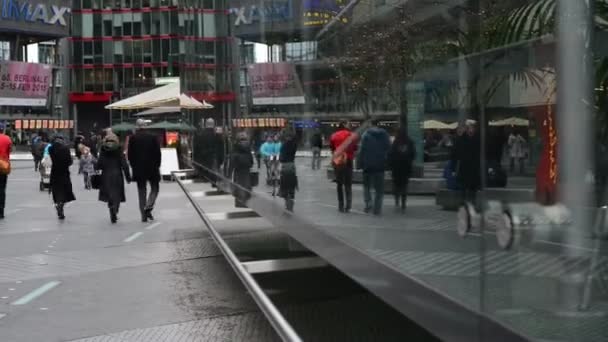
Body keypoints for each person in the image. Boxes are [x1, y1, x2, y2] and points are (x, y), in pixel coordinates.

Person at [128, 119, 161, 222]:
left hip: (139, 169)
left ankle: (143, 215)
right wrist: (157, 165)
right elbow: (158, 153)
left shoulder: (133, 138)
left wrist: (133, 166)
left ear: (137, 127)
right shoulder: (153, 137)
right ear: (145, 126)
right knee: (155, 188)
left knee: (141, 191)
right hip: (152, 168)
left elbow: (130, 155)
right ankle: (149, 206)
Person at [97, 133, 131, 223]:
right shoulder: (119, 149)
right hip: (117, 175)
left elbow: (99, 163)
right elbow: (124, 164)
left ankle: (111, 207)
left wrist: (98, 168)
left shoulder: (103, 149)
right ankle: (115, 210)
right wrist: (128, 177)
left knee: (109, 194)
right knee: (117, 194)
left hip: (106, 175)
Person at [359, 119, 391, 215]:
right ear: (379, 125)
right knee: (379, 190)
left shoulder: (365, 135)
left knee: (366, 186)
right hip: (380, 165)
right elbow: (389, 149)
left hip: (367, 165)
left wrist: (360, 163)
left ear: (370, 125)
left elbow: (362, 151)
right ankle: (377, 209)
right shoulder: (385, 135)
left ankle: (368, 203)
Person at [329, 121, 358, 213]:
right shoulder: (351, 135)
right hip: (348, 160)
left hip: (338, 162)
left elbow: (332, 149)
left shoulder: (333, 136)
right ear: (345, 126)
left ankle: (340, 205)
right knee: (348, 184)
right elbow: (355, 148)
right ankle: (348, 205)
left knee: (339, 184)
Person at [389, 128, 416, 212]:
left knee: (396, 185)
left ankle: (397, 200)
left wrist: (390, 165)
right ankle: (403, 202)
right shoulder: (410, 142)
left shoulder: (396, 142)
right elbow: (413, 154)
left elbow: (391, 154)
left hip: (396, 168)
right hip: (406, 167)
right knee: (404, 185)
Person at [48, 135, 75, 220]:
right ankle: (61, 205)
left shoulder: (51, 149)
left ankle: (59, 205)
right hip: (64, 173)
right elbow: (69, 162)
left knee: (57, 192)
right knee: (66, 192)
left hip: (55, 173)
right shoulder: (65, 149)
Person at [454, 121, 481, 203]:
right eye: (469, 128)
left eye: (472, 128)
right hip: (464, 165)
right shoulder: (462, 138)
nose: (471, 130)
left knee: (473, 186)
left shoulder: (477, 138)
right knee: (464, 186)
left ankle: (473, 202)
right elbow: (457, 152)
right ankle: (463, 202)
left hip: (474, 165)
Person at [193, 118, 224, 186]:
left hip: (203, 160)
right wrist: (221, 160)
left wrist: (196, 161)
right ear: (213, 125)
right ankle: (214, 185)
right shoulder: (217, 136)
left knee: (205, 178)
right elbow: (221, 149)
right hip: (214, 159)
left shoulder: (200, 135)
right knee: (213, 176)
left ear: (206, 124)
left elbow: (196, 149)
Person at [230, 132, 254, 208]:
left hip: (238, 170)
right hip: (246, 170)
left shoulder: (236, 146)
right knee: (246, 185)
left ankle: (239, 202)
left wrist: (229, 172)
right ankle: (245, 201)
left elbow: (232, 160)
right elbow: (251, 161)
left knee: (238, 185)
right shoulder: (248, 147)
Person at [279, 130, 298, 211]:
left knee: (284, 182)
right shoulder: (294, 145)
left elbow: (281, 158)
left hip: (285, 165)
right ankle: (292, 195)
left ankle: (285, 196)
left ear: (286, 137)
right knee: (292, 181)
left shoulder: (283, 145)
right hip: (292, 165)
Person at [0, 130, 12, 219]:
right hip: (3, 165)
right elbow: (8, 153)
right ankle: (1, 212)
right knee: (2, 189)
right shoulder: (7, 139)